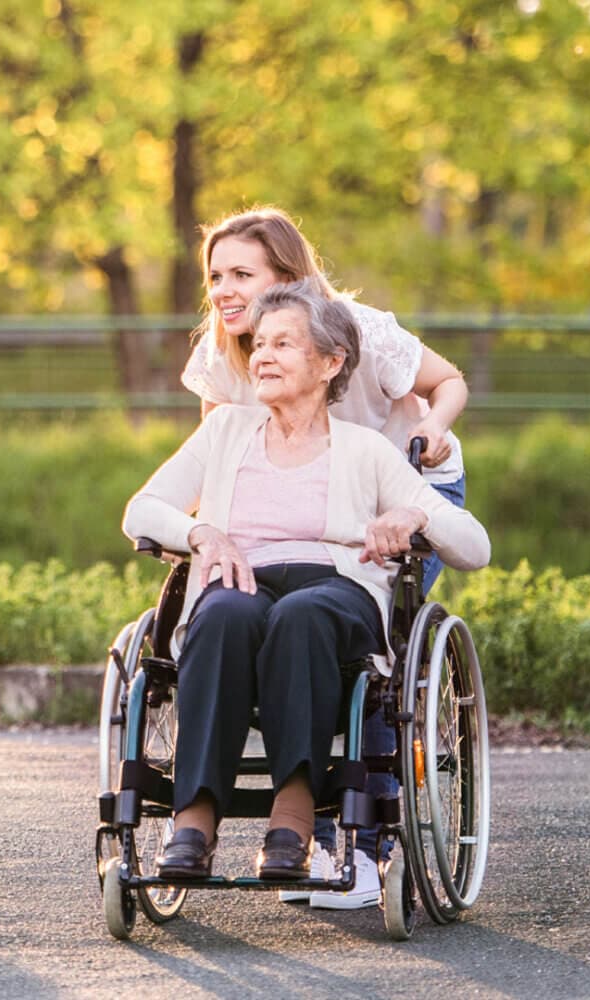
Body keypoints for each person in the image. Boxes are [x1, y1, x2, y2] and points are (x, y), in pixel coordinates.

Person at [122, 280, 490, 887]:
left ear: (329, 363)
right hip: (241, 578)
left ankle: (291, 815)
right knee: (220, 616)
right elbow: (141, 509)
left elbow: (475, 544)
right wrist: (202, 534)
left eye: (284, 344)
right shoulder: (225, 432)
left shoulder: (367, 450)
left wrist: (416, 515)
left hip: (335, 590)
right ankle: (195, 817)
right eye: (259, 344)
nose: (262, 355)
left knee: (303, 616)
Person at [180, 207, 467, 907]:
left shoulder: (357, 330)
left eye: (242, 273)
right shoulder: (226, 349)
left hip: (404, 484)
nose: (223, 288)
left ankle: (365, 846)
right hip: (299, 506)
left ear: (288, 276)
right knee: (243, 613)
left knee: (365, 648)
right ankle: (218, 815)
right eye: (215, 275)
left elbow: (448, 379)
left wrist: (429, 427)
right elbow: (219, 458)